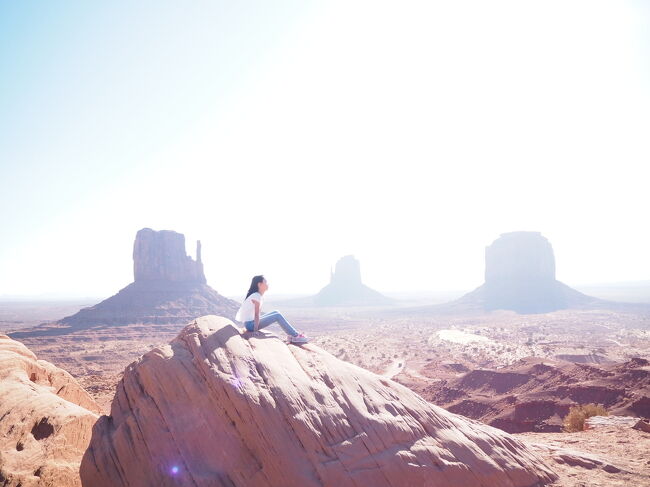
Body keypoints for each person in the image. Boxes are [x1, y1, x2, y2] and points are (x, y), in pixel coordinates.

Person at [236, 275, 309, 344]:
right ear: (259, 284)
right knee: (277, 316)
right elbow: (256, 314)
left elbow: (257, 314)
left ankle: (291, 335)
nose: (268, 284)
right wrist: (255, 331)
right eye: (265, 282)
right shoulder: (256, 296)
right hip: (250, 325)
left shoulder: (258, 295)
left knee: (276, 312)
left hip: (251, 322)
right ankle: (295, 336)